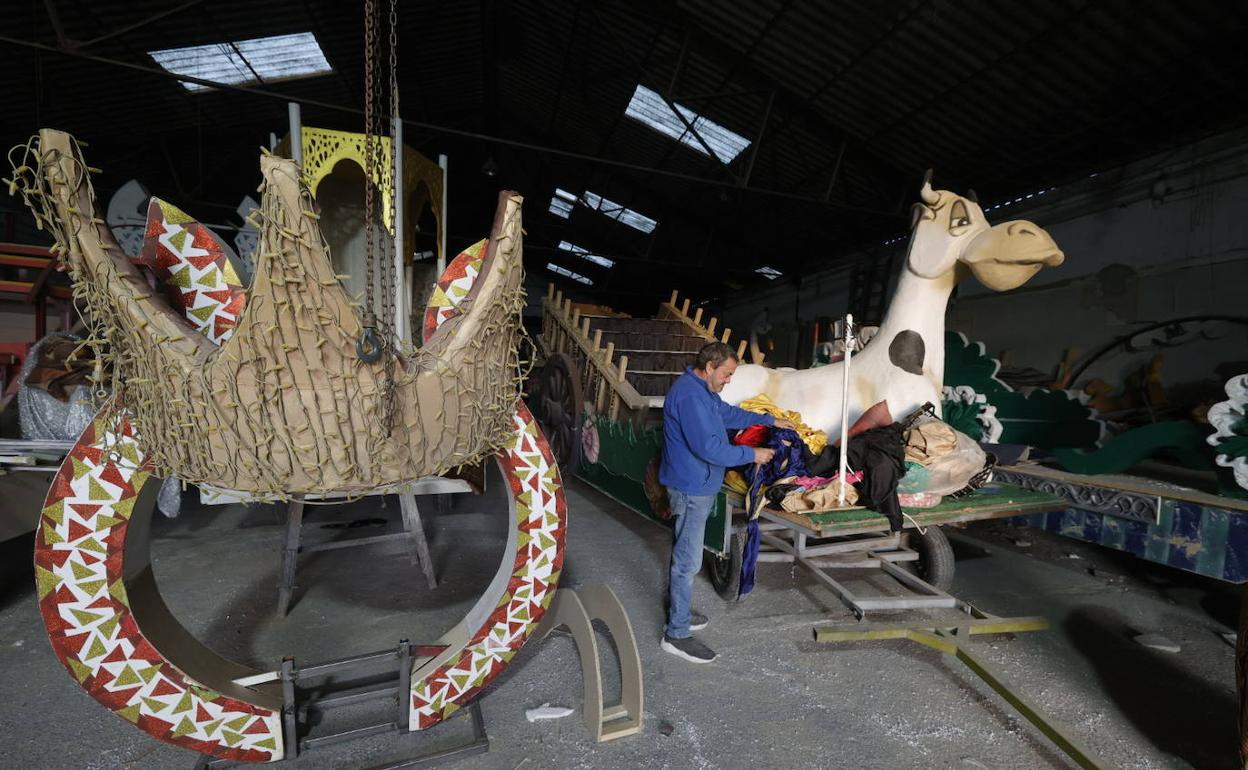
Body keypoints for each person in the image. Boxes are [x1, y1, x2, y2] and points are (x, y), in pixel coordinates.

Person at [658, 342, 794, 663]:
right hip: (691, 488)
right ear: (708, 368)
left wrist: (768, 420)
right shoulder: (690, 396)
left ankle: (679, 610)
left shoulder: (701, 391)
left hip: (697, 483)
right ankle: (676, 634)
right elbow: (710, 449)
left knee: (687, 553)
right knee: (688, 560)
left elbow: (727, 413)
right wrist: (753, 453)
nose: (729, 379)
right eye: (726, 374)